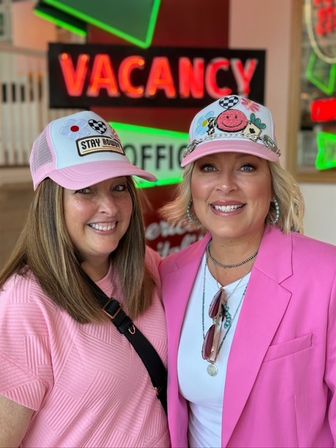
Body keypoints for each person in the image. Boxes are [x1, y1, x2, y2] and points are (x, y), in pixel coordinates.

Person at [159, 95, 336, 448]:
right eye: (208, 167)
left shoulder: (327, 275)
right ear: (191, 185)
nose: (225, 185)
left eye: (247, 167)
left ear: (272, 184)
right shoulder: (169, 275)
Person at [0, 111, 170, 447]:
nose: (109, 206)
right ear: (52, 202)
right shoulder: (25, 301)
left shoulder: (148, 267)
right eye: (85, 190)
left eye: (119, 187)